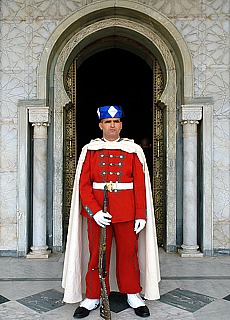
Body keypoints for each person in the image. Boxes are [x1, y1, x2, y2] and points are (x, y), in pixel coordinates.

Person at [62, 105, 160, 318]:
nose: (112, 125)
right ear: (100, 125)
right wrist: (95, 211)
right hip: (98, 214)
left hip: (126, 212)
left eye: (116, 122)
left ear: (121, 125)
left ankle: (133, 293)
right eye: (108, 122)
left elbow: (140, 185)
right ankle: (92, 296)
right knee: (97, 255)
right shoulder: (90, 150)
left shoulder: (133, 150)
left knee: (128, 255)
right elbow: (84, 186)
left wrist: (141, 214)